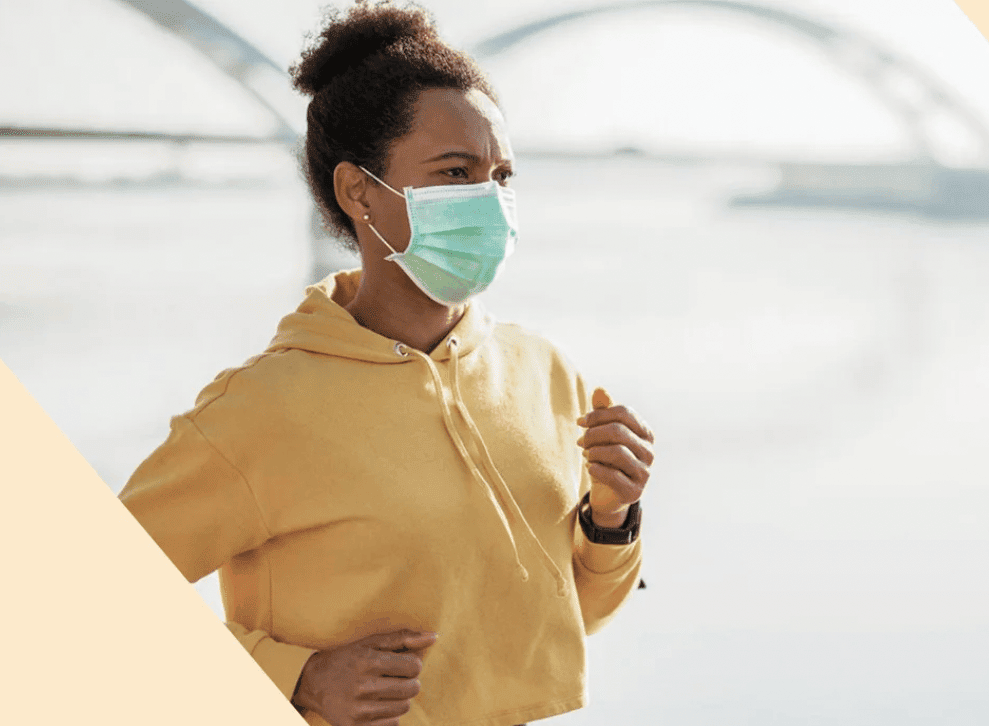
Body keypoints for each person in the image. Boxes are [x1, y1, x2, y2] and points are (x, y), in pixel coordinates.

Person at [117, 3, 654, 725]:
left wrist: (613, 518)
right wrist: (294, 678)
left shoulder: (546, 373)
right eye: (456, 171)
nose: (490, 202)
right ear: (358, 191)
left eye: (501, 174)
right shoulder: (262, 410)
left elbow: (561, 623)